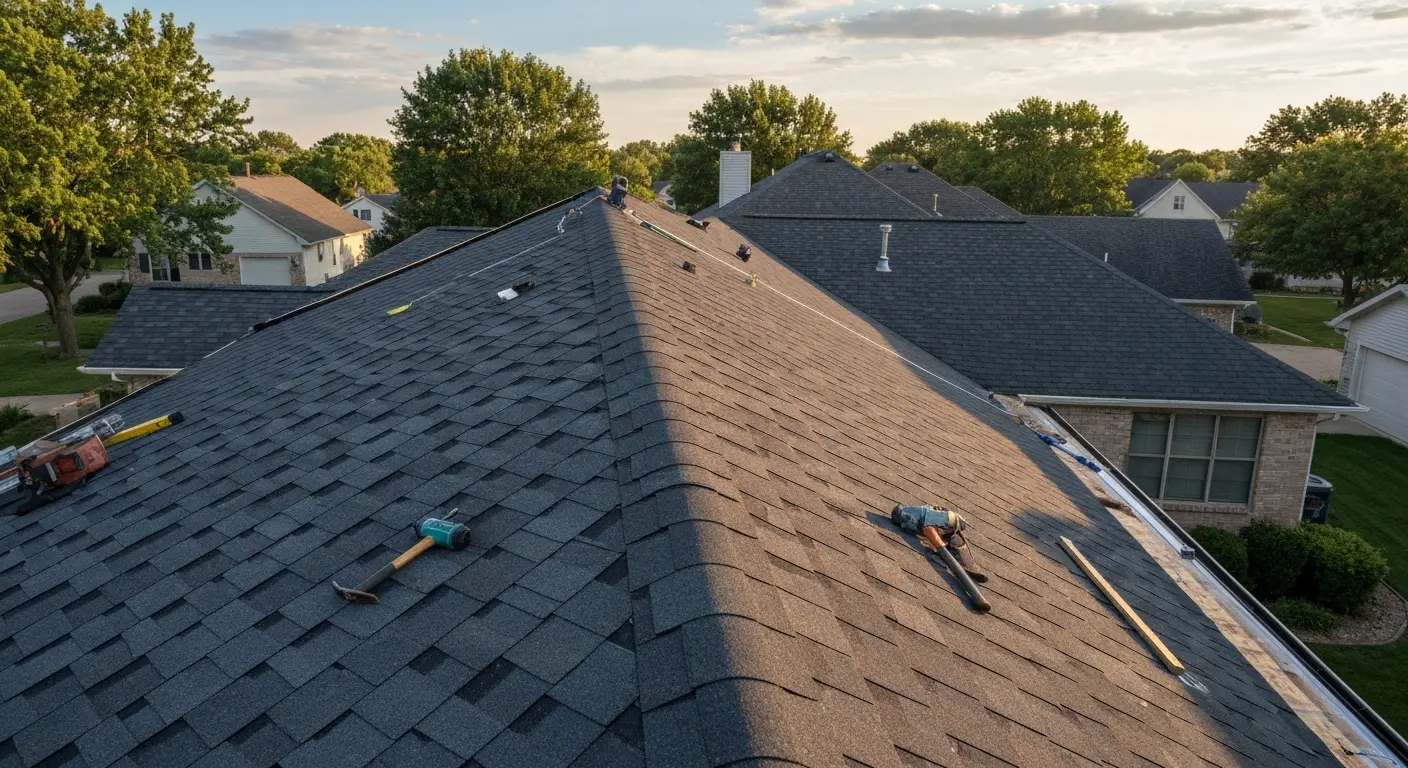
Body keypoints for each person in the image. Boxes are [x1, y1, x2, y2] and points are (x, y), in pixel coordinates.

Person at [891, 504, 988, 582]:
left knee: (953, 549)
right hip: (938, 525)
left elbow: (929, 531)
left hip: (945, 527)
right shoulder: (921, 517)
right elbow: (928, 530)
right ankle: (964, 566)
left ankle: (966, 567)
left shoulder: (930, 519)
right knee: (945, 549)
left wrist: (939, 544)